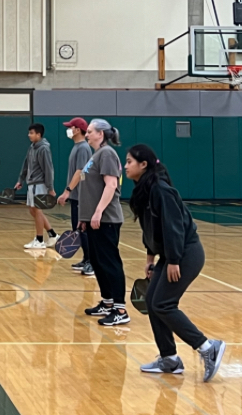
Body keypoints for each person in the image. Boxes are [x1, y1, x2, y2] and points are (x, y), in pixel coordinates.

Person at [125, 144, 226, 381]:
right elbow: (150, 228)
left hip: (185, 254)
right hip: (169, 255)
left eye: (129, 161)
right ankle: (169, 358)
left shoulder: (161, 190)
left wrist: (172, 260)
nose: (125, 166)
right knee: (152, 300)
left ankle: (207, 348)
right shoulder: (144, 190)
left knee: (164, 303)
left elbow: (174, 228)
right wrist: (151, 259)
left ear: (143, 165)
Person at [79, 118, 129, 326]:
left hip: (106, 219)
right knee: (98, 262)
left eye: (90, 131)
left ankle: (120, 309)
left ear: (101, 134)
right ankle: (107, 302)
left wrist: (98, 212)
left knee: (110, 262)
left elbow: (110, 185)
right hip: (93, 220)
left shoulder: (107, 153)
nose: (87, 134)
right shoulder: (96, 154)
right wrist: (85, 217)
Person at [57, 118, 94, 276]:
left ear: (78, 130)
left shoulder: (83, 148)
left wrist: (67, 191)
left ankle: (92, 262)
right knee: (78, 229)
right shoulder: (77, 147)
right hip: (76, 196)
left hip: (81, 196)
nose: (69, 129)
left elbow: (80, 172)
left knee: (83, 230)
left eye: (71, 127)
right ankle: (86, 259)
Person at [14, 123, 58, 249]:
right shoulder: (32, 147)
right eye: (29, 133)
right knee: (33, 210)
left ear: (39, 134)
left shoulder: (43, 148)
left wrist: (50, 188)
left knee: (37, 210)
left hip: (39, 184)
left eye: (31, 133)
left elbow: (48, 169)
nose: (29, 135)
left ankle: (39, 240)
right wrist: (21, 179)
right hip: (31, 183)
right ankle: (52, 234)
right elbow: (26, 164)